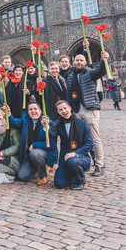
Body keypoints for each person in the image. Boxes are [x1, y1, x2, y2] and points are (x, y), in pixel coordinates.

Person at [66, 46, 109, 177]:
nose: (79, 62)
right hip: (76, 110)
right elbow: (68, 94)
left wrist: (104, 60)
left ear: (85, 62)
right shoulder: (70, 76)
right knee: (80, 138)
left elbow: (101, 71)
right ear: (74, 62)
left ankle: (99, 165)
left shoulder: (90, 73)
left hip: (89, 109)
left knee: (95, 138)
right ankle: (84, 162)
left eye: (81, 60)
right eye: (77, 60)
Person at [46, 100, 93, 190]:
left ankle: (81, 180)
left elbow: (89, 144)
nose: (64, 111)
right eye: (60, 110)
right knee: (59, 183)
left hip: (81, 157)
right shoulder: (59, 124)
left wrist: (75, 153)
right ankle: (73, 176)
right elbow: (52, 134)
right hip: (65, 158)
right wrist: (46, 125)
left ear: (70, 108)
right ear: (58, 112)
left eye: (65, 108)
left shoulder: (82, 124)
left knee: (72, 160)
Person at [11, 100, 55, 185]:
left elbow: (52, 144)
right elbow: (15, 123)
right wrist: (8, 114)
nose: (33, 111)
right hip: (29, 157)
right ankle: (38, 169)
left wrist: (35, 145)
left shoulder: (47, 122)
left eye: (35, 109)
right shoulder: (26, 121)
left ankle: (43, 175)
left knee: (34, 153)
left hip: (44, 153)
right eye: (30, 109)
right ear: (28, 112)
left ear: (40, 111)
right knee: (22, 176)